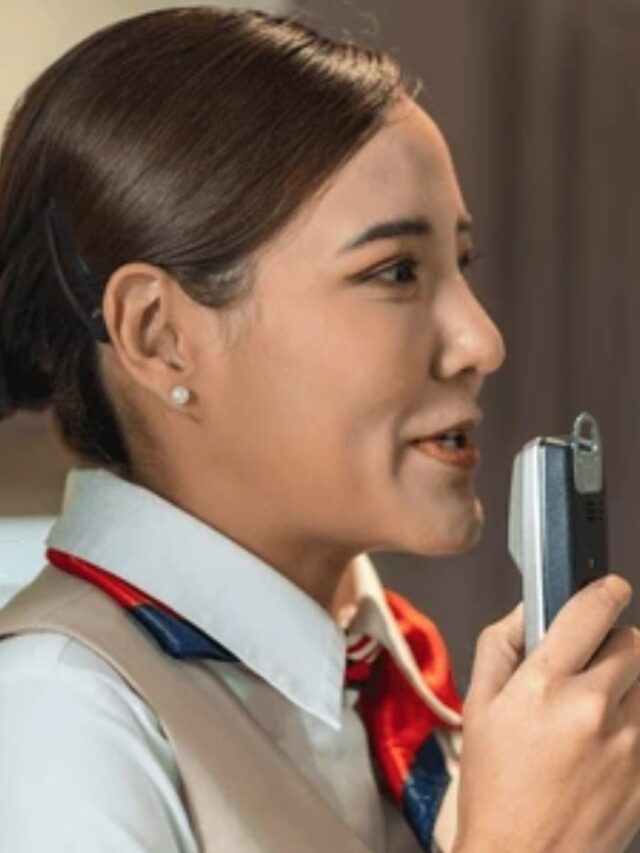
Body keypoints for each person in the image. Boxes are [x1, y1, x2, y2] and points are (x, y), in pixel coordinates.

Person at [0, 6, 639, 853]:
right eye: (396, 271)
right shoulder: (61, 719)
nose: (483, 341)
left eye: (460, 264)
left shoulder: (408, 693)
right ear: (159, 334)